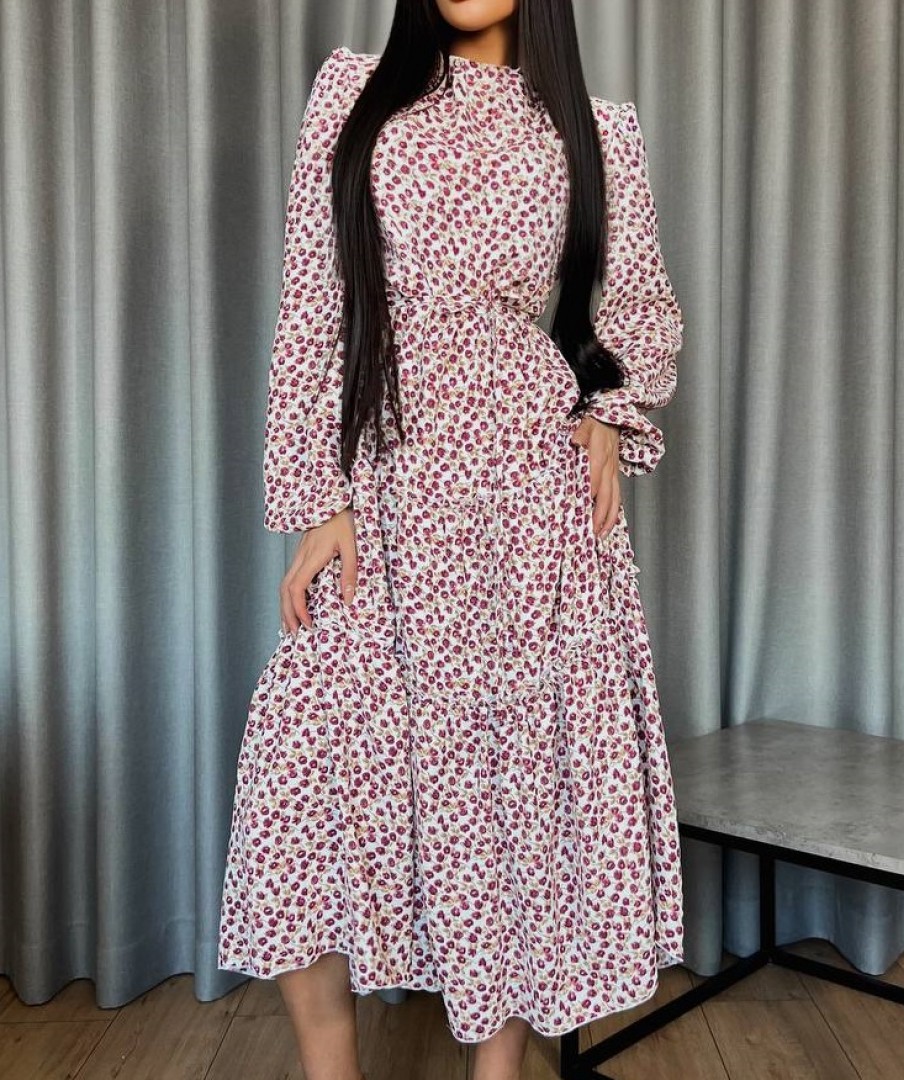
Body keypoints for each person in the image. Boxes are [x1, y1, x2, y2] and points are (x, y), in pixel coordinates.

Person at [217, 1, 686, 1077]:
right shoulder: (353, 94)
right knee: (301, 778)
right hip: (389, 476)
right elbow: (313, 308)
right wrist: (318, 499)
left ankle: (499, 1069)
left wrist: (608, 415)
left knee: (519, 785)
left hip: (532, 496)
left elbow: (640, 309)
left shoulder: (598, 129)